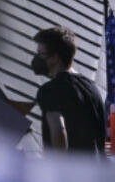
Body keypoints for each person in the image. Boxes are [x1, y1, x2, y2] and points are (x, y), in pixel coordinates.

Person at [30, 26, 105, 154]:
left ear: (55, 57)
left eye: (41, 54)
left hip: (71, 170)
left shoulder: (49, 90)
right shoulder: (92, 88)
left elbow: (59, 130)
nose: (37, 58)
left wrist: (60, 168)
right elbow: (104, 137)